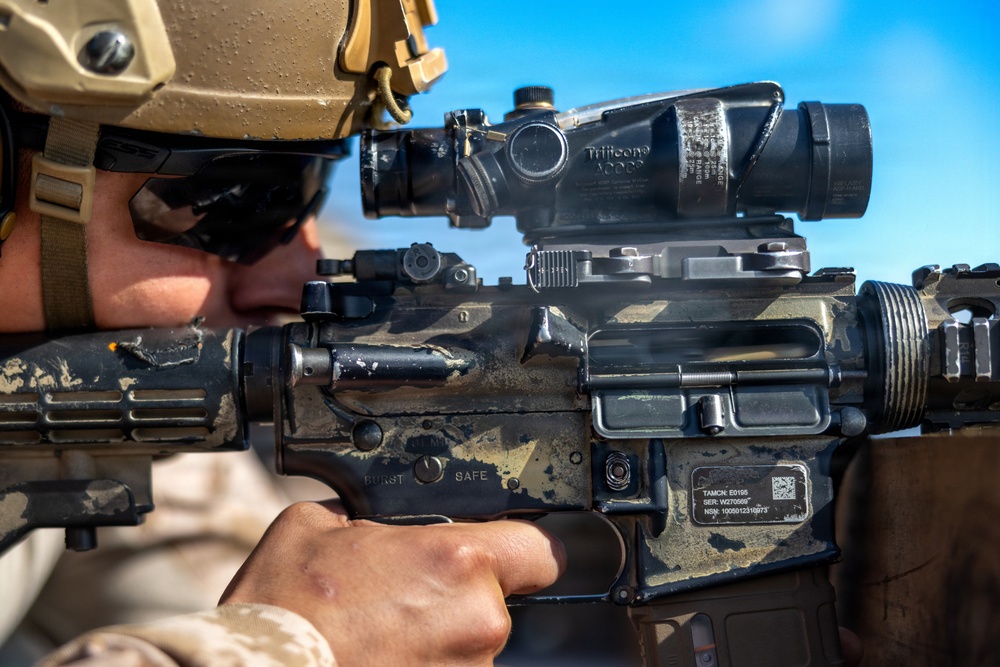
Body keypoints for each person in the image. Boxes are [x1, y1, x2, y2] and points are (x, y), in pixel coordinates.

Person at [0, 1, 565, 665]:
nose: (294, 279)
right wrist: (291, 647)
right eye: (230, 204)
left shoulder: (100, 431)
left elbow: (197, 583)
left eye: (309, 189)